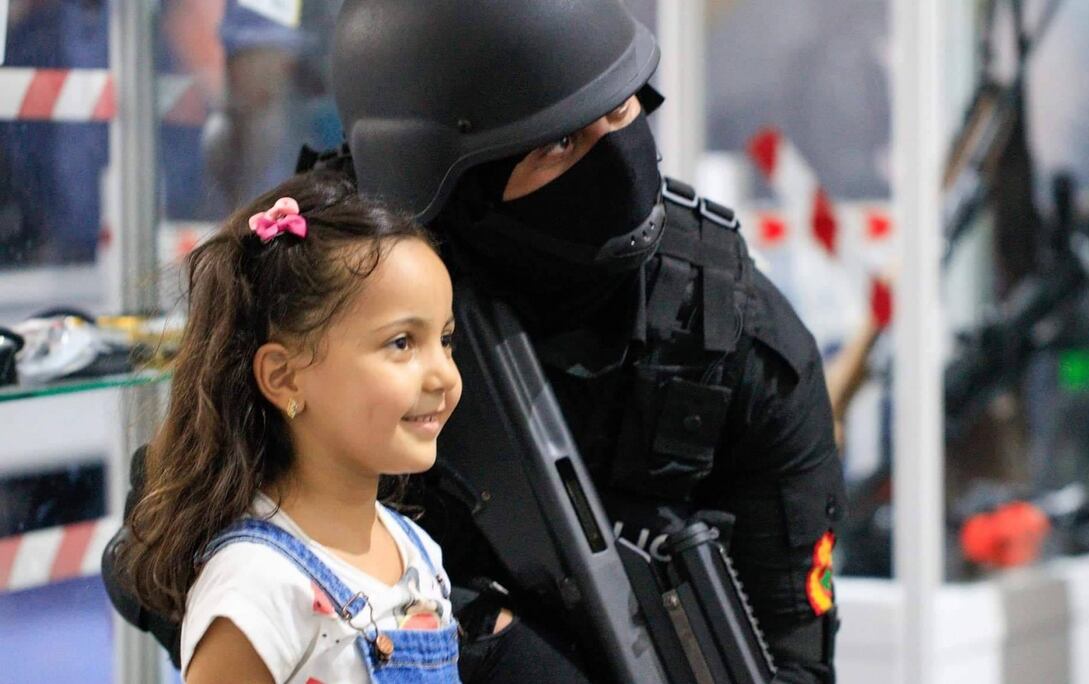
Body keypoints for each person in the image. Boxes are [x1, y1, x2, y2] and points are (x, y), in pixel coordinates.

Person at [106, 1, 849, 682]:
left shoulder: (737, 340)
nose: (616, 162)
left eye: (622, 111)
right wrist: (472, 638)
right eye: (560, 142)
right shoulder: (341, 278)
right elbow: (153, 554)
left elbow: (795, 659)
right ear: (449, 181)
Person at [112, 172, 463, 683]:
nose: (443, 375)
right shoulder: (256, 587)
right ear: (283, 377)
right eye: (402, 343)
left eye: (446, 339)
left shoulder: (417, 552)